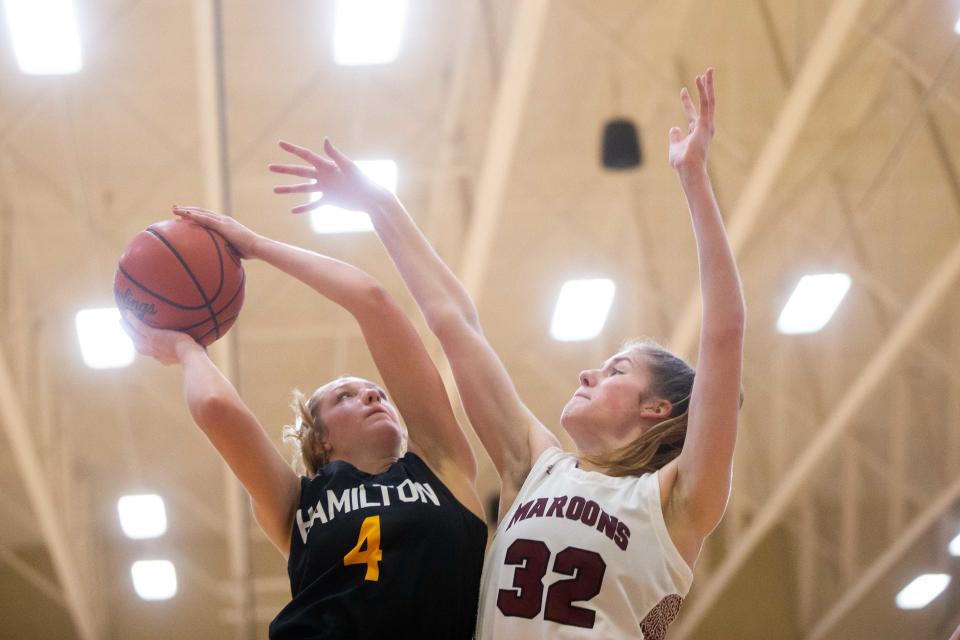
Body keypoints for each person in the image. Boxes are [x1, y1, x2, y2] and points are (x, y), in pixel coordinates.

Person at [271, 67, 743, 638]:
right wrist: (379, 205)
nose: (589, 371)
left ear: (658, 410)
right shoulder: (532, 465)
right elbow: (455, 322)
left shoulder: (676, 498)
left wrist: (693, 177)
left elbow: (724, 332)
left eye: (617, 369)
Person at [120, 207, 487, 639]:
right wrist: (186, 349)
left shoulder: (442, 469)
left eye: (378, 393)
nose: (372, 395)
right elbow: (217, 408)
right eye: (345, 396)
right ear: (320, 439)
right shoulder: (297, 503)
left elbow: (372, 300)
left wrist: (256, 245)